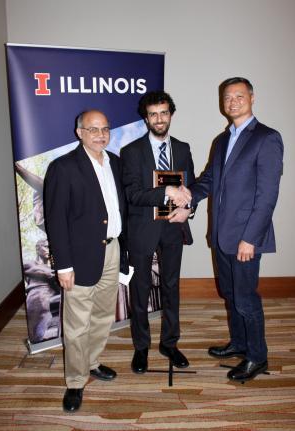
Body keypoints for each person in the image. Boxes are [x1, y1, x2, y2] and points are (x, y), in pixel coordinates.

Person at [174, 77, 283, 382]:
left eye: (238, 96)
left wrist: (251, 238)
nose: (232, 101)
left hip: (245, 238)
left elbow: (267, 196)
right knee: (230, 293)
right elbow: (208, 180)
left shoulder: (267, 138)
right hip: (221, 235)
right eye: (227, 97)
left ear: (252, 97)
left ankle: (257, 357)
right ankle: (238, 343)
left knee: (246, 298)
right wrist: (188, 197)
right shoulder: (222, 140)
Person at [44, 110, 128, 412]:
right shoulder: (63, 167)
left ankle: (92, 362)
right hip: (79, 258)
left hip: (113, 251)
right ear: (79, 132)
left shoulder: (115, 163)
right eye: (93, 129)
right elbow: (56, 220)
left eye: (105, 128)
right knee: (77, 324)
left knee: (104, 316)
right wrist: (63, 265)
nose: (101, 134)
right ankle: (75, 382)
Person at [120, 90, 195, 374]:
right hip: (142, 229)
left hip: (174, 227)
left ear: (171, 114)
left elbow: (191, 190)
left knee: (171, 287)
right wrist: (166, 191)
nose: (159, 119)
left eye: (164, 113)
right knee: (139, 290)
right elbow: (133, 194)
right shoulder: (131, 152)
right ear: (146, 118)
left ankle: (169, 343)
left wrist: (189, 207)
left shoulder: (183, 148)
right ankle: (141, 347)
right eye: (153, 114)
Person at [24, 238, 60, 343]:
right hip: (38, 296)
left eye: (50, 247)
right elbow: (45, 273)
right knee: (38, 331)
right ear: (37, 248)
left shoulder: (54, 266)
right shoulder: (30, 264)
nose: (49, 249)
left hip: (54, 298)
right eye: (46, 246)